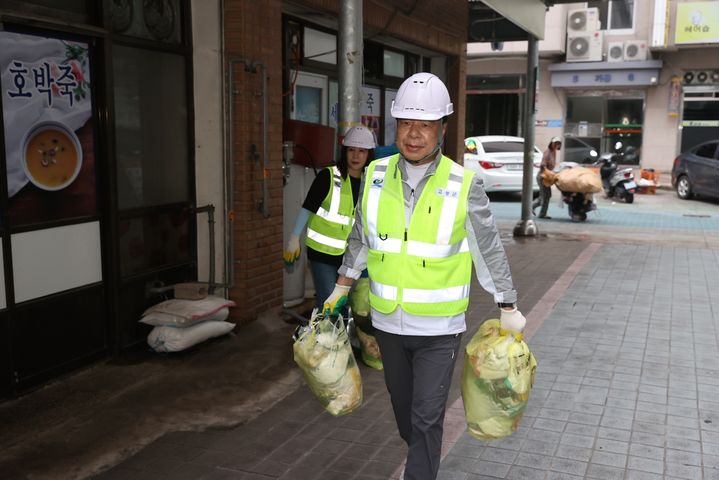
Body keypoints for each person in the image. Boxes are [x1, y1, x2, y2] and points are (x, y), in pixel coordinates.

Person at [320, 72, 525, 480]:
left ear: (442, 130)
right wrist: (341, 286)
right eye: (407, 124)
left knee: (428, 419)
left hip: (438, 328)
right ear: (396, 126)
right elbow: (361, 236)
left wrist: (508, 304)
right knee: (406, 416)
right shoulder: (376, 175)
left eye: (425, 125)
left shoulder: (464, 184)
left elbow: (489, 249)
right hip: (387, 324)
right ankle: (420, 452)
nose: (414, 135)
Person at [283, 125, 375, 315]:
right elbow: (308, 207)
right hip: (323, 255)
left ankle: (339, 341)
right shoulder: (329, 176)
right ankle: (328, 343)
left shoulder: (373, 182)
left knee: (353, 308)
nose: (356, 156)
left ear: (369, 154)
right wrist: (294, 238)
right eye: (351, 150)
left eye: (362, 151)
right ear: (344, 151)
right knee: (330, 305)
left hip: (354, 258)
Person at [532, 136, 562, 219]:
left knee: (547, 195)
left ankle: (537, 209)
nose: (557, 145)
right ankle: (539, 212)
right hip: (543, 177)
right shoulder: (547, 152)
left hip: (547, 177)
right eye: (555, 143)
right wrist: (547, 171)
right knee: (545, 196)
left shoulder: (554, 152)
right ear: (552, 143)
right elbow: (543, 165)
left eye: (558, 143)